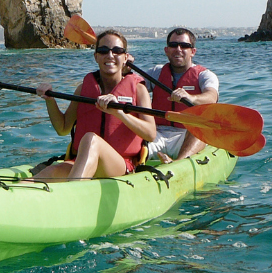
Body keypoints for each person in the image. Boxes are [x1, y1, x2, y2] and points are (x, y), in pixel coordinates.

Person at [31, 30, 157, 181]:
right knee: (50, 172)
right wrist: (49, 100)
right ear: (96, 56)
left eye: (117, 51)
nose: (110, 55)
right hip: (82, 160)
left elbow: (150, 134)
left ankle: (73, 192)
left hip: (121, 165)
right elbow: (63, 128)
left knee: (92, 139)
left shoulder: (138, 89)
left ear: (125, 58)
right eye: (103, 51)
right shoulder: (83, 89)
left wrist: (119, 113)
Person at [145, 27, 220, 162]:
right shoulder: (155, 73)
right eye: (173, 45)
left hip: (186, 135)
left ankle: (178, 163)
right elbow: (131, 90)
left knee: (200, 126)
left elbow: (211, 97)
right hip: (157, 134)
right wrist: (126, 73)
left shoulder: (205, 75)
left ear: (193, 51)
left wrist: (191, 97)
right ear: (166, 50)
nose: (178, 49)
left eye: (184, 46)